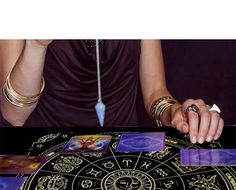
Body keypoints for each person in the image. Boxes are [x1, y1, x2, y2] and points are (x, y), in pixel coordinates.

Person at [0, 40, 224, 144]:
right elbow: (14, 115)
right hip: (47, 152)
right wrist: (36, 45)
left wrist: (175, 112)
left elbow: (155, 93)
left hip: (122, 156)